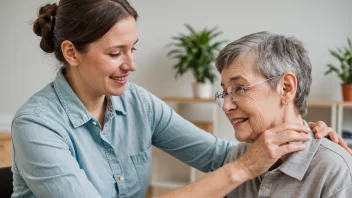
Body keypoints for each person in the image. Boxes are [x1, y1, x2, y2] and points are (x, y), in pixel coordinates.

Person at [10, 1, 349, 198]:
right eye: (116, 53)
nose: (132, 65)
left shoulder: (138, 103)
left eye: (133, 49)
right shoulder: (37, 125)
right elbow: (234, 165)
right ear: (71, 52)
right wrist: (245, 166)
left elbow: (218, 156)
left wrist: (301, 131)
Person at [216, 32, 352, 198]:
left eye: (240, 88)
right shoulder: (238, 157)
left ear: (286, 88)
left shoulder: (335, 170)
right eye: (225, 93)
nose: (226, 106)